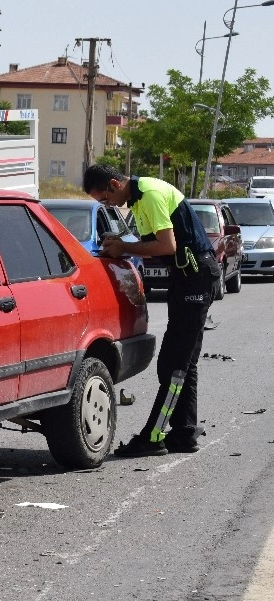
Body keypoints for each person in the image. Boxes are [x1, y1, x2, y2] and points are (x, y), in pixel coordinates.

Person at [83, 164, 220, 457]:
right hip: (186, 279)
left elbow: (167, 245)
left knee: (173, 365)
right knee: (184, 362)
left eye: (104, 199)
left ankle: (153, 437)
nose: (106, 205)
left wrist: (125, 249)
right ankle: (184, 433)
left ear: (114, 184)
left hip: (195, 277)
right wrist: (120, 245)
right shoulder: (136, 199)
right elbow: (151, 243)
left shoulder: (149, 194)